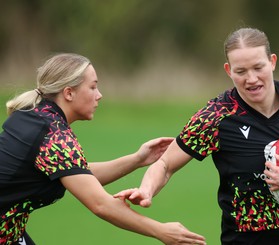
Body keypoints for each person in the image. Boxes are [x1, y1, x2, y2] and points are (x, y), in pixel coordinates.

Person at [114, 27, 279, 245]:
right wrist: (146, 190)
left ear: (272, 62)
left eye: (258, 67)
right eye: (241, 71)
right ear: (228, 70)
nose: (251, 79)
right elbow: (166, 164)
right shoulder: (216, 117)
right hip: (249, 236)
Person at [0, 53, 207, 245]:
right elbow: (100, 204)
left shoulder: (35, 116)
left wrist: (138, 159)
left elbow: (77, 174)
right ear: (69, 93)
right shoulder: (54, 136)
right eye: (92, 87)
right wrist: (161, 231)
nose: (99, 95)